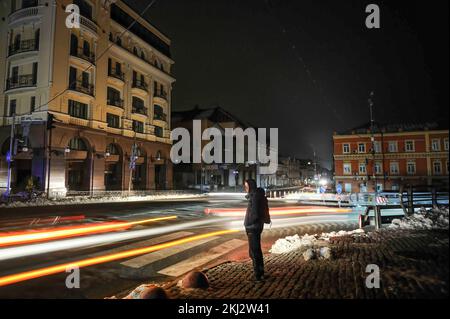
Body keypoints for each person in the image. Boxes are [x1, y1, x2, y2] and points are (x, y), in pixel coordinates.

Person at [244, 179, 269, 281]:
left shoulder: (255, 197)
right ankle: (260, 272)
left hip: (253, 227)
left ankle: (258, 275)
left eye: (246, 186)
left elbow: (255, 214)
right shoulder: (256, 195)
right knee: (255, 251)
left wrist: (248, 223)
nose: (245, 188)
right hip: (255, 227)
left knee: (254, 252)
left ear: (251, 186)